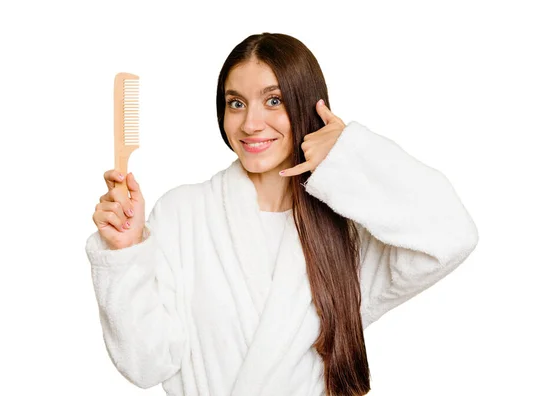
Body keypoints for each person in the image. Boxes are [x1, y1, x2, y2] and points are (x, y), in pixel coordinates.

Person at [85, 32, 479, 396]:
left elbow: (451, 237)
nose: (251, 123)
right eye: (236, 103)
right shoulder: (182, 213)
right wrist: (125, 252)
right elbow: (146, 364)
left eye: (273, 100)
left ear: (308, 105)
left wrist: (351, 154)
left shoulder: (348, 231)